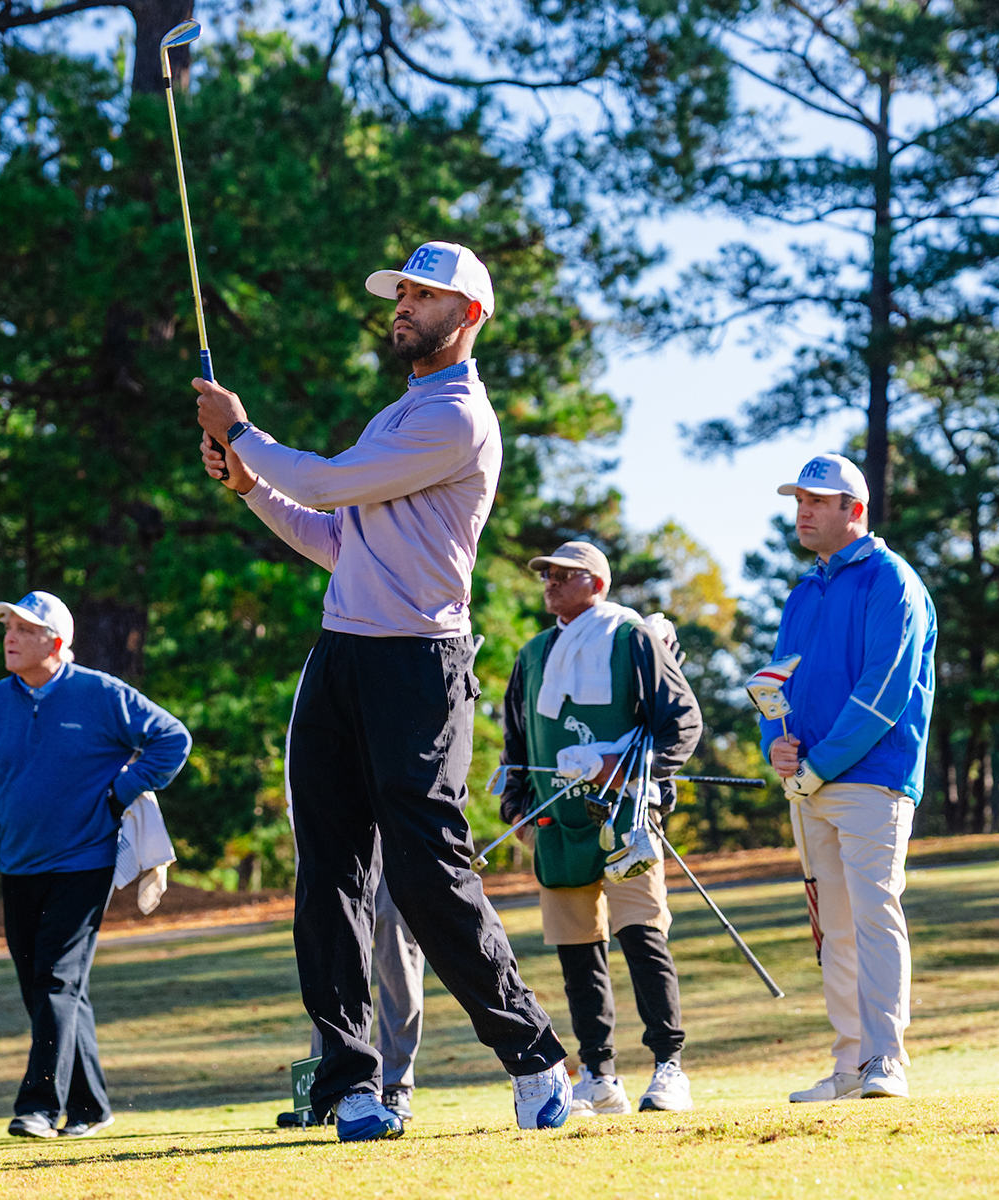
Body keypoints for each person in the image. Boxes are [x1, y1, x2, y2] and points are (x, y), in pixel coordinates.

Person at [195, 240, 571, 1141]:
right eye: (401, 292)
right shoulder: (397, 415)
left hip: (418, 666)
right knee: (328, 876)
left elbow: (325, 482)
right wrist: (250, 487)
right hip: (342, 657)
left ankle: (533, 1057)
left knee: (427, 871)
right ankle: (352, 1084)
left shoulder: (459, 419)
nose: (403, 305)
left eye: (423, 294)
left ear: (468, 315)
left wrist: (242, 432)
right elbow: (338, 540)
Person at [0, 591, 193, 1140]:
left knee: (56, 980)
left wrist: (120, 791)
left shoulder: (100, 693)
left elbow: (172, 738)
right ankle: (91, 1107)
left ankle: (39, 1106)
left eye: (25, 629)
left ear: (56, 642)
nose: (10, 637)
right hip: (18, 866)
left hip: (85, 860)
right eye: (8, 627)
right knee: (47, 991)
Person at [498, 541, 703, 1117]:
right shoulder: (533, 654)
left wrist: (626, 769)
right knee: (578, 954)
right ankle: (598, 1074)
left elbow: (682, 723)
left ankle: (668, 1067)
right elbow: (516, 742)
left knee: (643, 937)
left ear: (597, 583)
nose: (550, 581)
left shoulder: (633, 638)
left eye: (565, 574)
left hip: (627, 815)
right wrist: (517, 812)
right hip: (555, 824)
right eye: (547, 573)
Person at [762, 455, 937, 1103]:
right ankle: (848, 1066)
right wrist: (775, 747)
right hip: (809, 785)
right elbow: (775, 684)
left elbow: (884, 691)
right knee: (834, 929)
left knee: (873, 917)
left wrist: (818, 765)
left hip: (872, 779)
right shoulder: (803, 592)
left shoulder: (892, 580)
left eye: (817, 500)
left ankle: (886, 1059)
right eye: (799, 500)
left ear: (854, 510)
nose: (803, 511)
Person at [277, 875, 425, 1127]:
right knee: (332, 948)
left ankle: (394, 1085)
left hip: (392, 851)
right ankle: (330, 1088)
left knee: (397, 950)